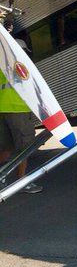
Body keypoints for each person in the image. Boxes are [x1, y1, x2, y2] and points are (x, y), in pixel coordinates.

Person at [0, 33, 41, 194]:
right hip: (18, 110)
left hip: (3, 110)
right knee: (25, 148)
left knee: (6, 148)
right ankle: (21, 182)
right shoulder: (20, 66)